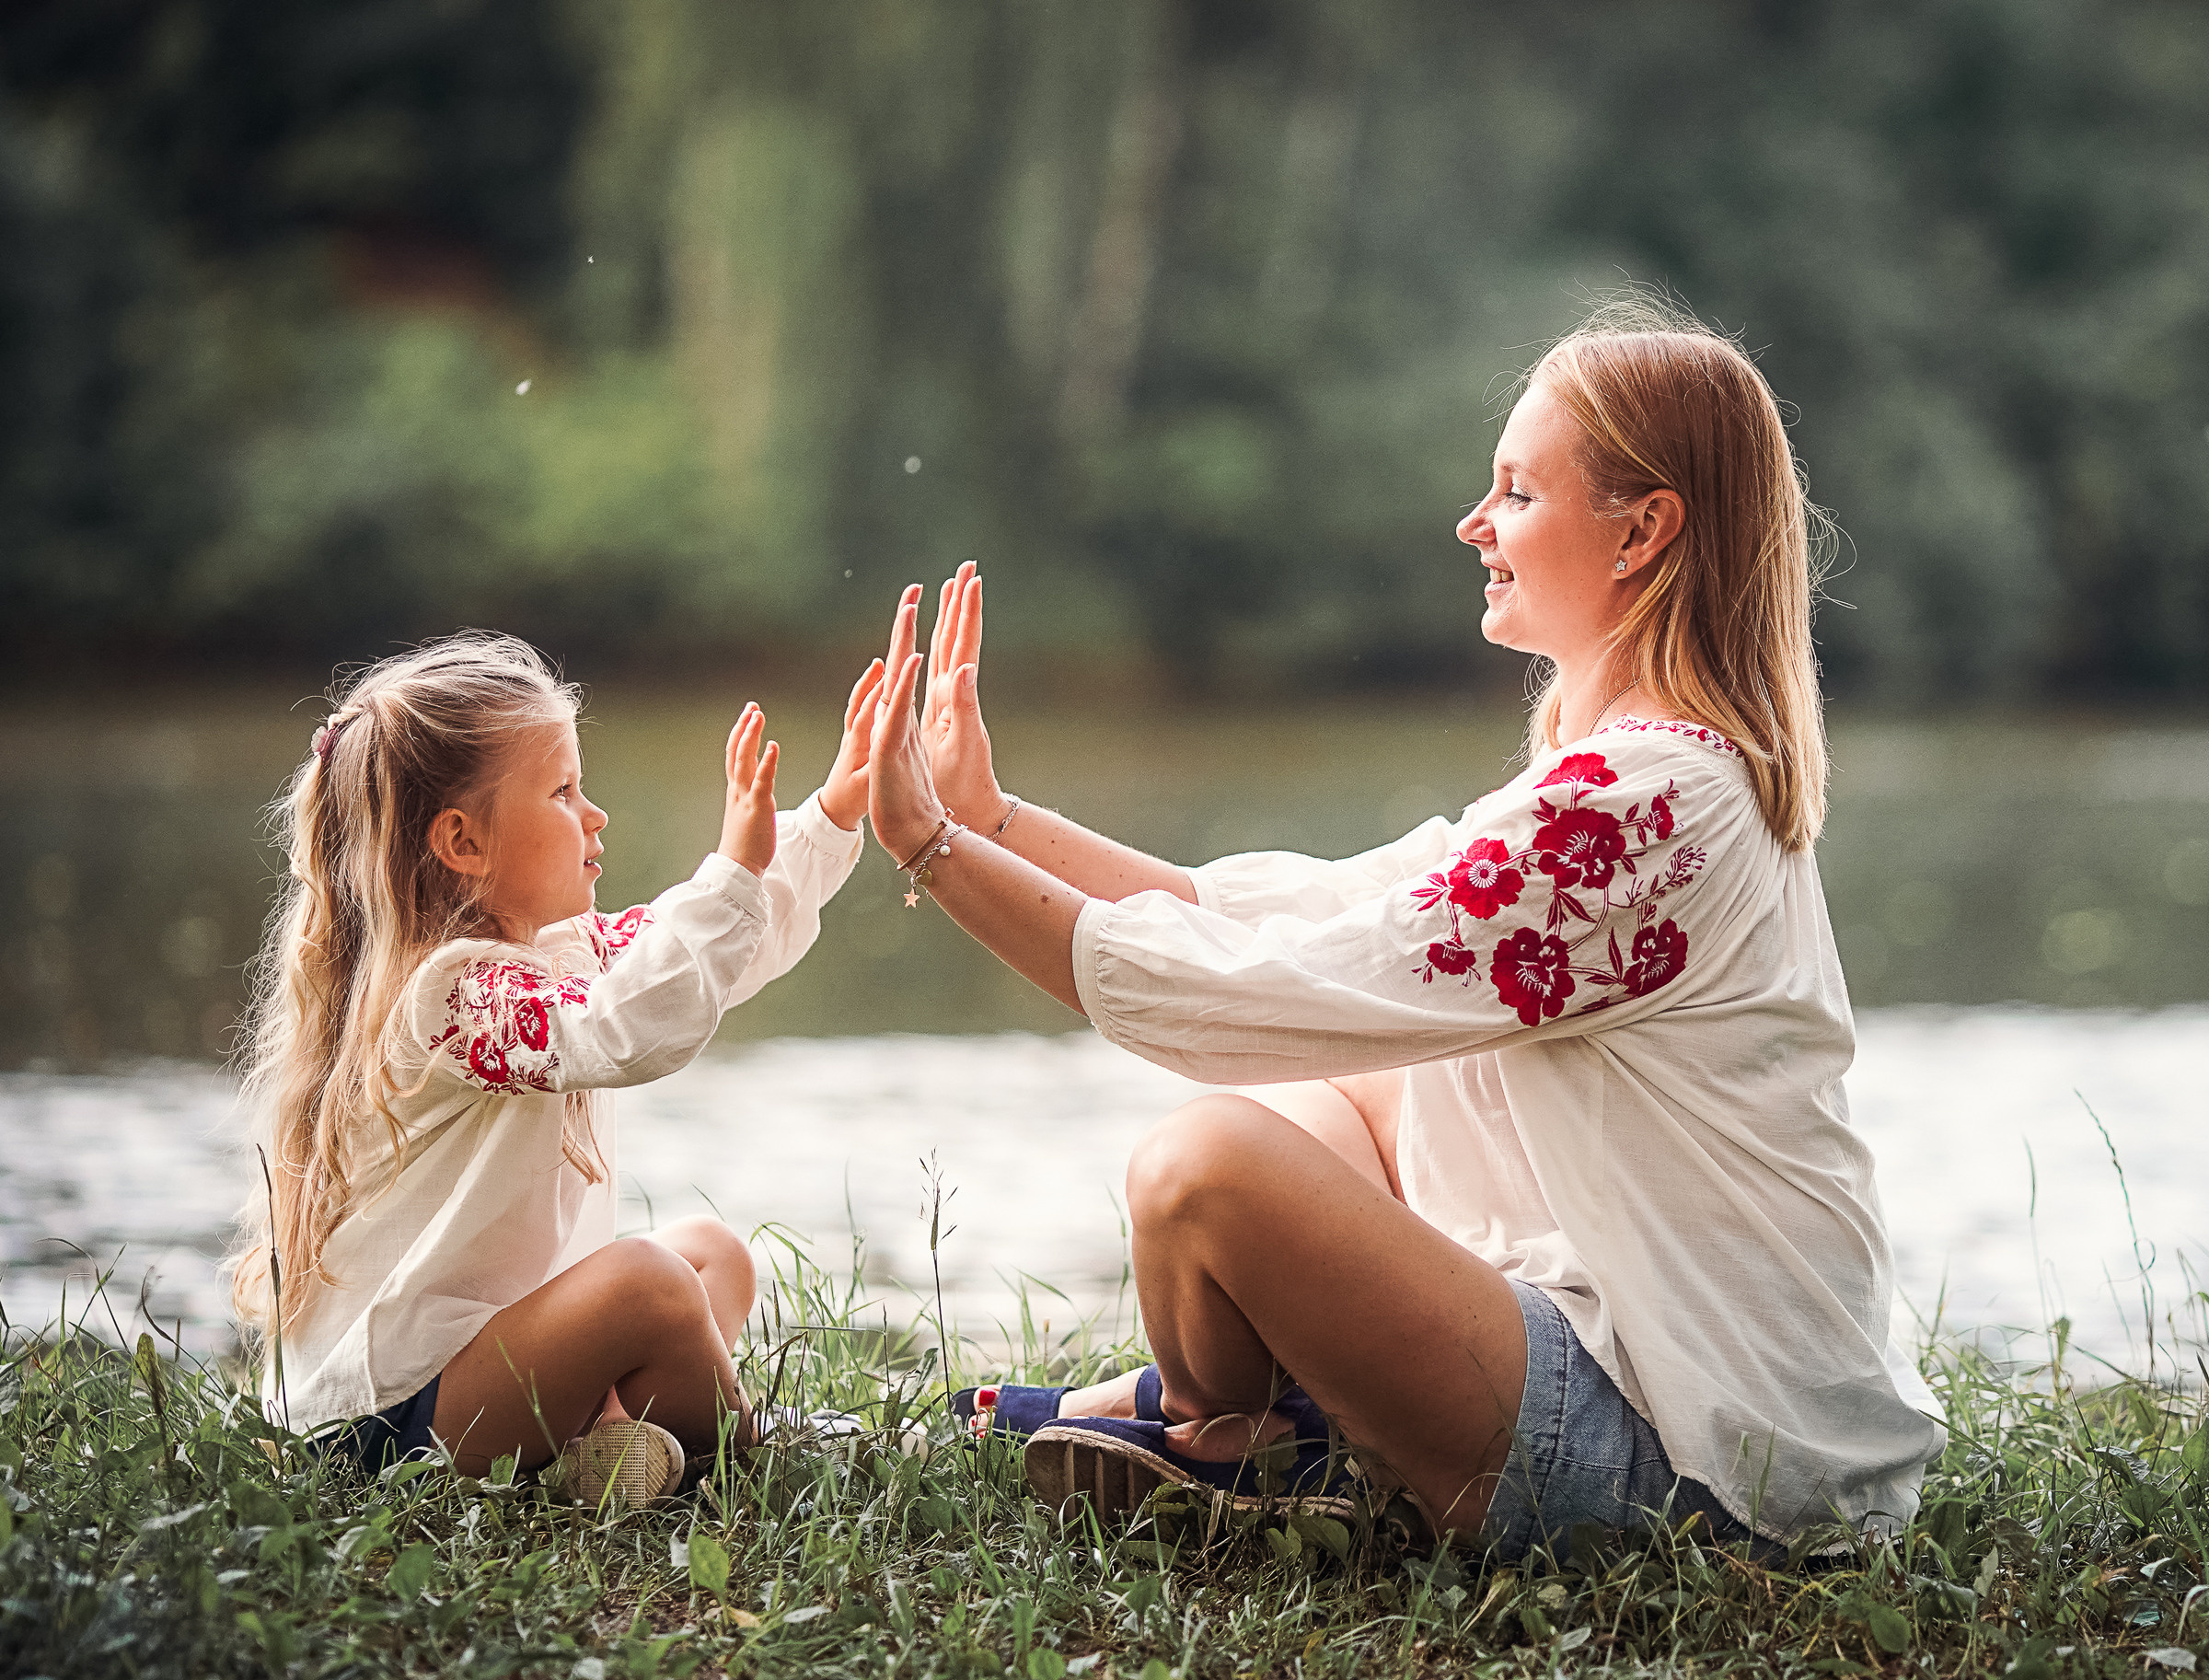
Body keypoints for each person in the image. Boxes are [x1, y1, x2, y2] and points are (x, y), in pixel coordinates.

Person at [863, 304, 1947, 1556]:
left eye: (1517, 493)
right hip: (1659, 1385)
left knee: (1203, 1167)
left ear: (1643, 529)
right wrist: (990, 818)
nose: (1474, 526)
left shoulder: (1649, 807)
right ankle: (1259, 1426)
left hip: (1706, 1476)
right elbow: (1296, 914)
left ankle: (1226, 1433)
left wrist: (935, 854)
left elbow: (1258, 995)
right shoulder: (1626, 777)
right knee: (1340, 1099)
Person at [226, 632, 882, 1504]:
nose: (593, 814)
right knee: (647, 1283)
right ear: (463, 841)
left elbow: (691, 954)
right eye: (563, 791)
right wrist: (735, 868)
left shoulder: (547, 959)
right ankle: (762, 1453)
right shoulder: (455, 999)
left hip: (471, 1377)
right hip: (384, 1428)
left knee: (709, 1257)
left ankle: (606, 1449)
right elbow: (621, 1027)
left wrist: (830, 814)